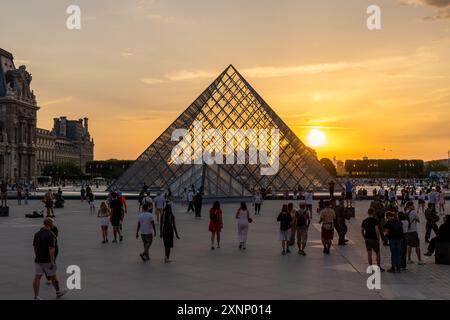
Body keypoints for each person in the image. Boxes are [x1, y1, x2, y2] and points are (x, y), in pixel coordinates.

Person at [32, 218, 67, 300]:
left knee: (37, 277)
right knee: (53, 277)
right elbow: (51, 249)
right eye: (52, 223)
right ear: (49, 224)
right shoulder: (51, 234)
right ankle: (58, 292)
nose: (53, 224)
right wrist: (52, 261)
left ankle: (36, 296)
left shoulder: (37, 234)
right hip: (47, 260)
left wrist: (37, 255)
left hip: (38, 259)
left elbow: (34, 247)